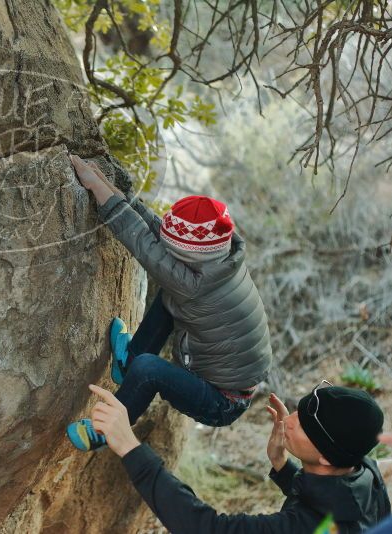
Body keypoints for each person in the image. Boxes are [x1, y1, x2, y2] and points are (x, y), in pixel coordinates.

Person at [66, 154, 272, 452]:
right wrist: (116, 192)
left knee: (150, 368)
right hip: (229, 379)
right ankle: (127, 364)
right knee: (168, 298)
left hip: (221, 401)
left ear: (191, 254)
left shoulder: (194, 284)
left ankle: (105, 432)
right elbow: (161, 235)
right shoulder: (221, 255)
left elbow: (143, 243)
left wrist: (97, 188)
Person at [80, 380, 390, 533]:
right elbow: (327, 500)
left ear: (325, 458)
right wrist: (283, 467)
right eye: (299, 410)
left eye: (305, 427)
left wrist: (130, 447)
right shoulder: (364, 473)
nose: (290, 420)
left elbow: (208, 528)